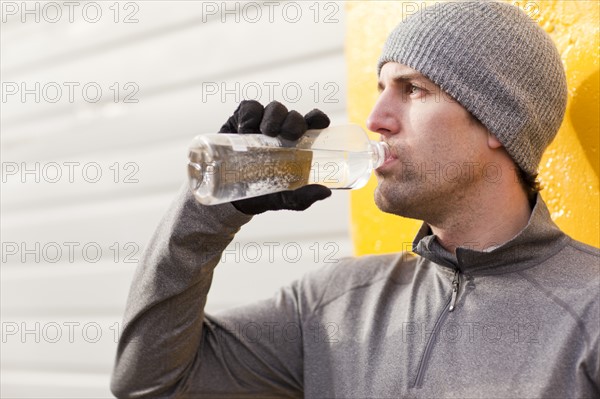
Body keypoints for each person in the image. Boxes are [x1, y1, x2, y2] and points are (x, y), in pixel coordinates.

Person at [111, 1, 599, 398]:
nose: (377, 117)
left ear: (500, 123)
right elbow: (149, 382)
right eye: (381, 87)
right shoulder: (334, 304)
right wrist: (213, 206)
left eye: (413, 89)